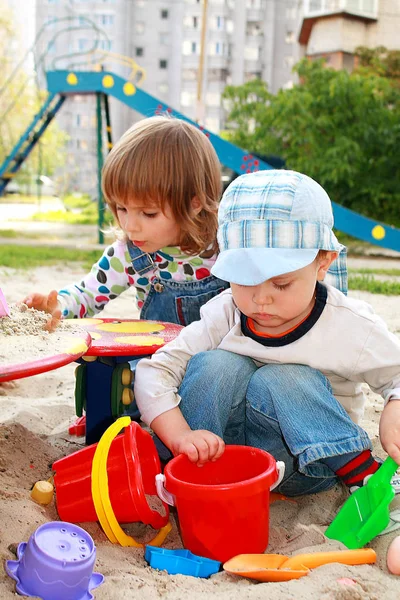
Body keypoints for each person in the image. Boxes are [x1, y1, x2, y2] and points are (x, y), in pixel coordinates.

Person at [134, 169, 400, 497]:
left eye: (281, 283)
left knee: (278, 379)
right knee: (216, 364)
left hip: (306, 461)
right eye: (244, 280)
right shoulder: (226, 311)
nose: (261, 299)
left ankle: (361, 473)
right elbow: (153, 372)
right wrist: (179, 436)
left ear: (323, 263)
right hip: (222, 456)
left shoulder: (348, 324)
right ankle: (186, 472)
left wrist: (394, 406)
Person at [23, 116, 229, 327]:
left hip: (216, 355)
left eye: (148, 213)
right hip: (158, 357)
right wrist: (57, 306)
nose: (130, 226)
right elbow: (86, 294)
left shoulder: (226, 247)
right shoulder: (129, 254)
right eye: (122, 208)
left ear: (194, 204)